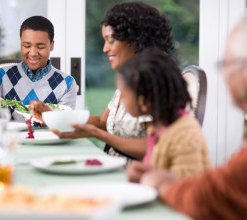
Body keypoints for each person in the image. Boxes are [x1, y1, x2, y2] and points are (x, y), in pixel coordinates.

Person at [137, 9, 247, 219]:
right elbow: (226, 182)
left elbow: (211, 199)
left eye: (226, 65)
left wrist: (164, 185)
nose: (224, 76)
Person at [53, 2, 174, 164]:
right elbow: (103, 122)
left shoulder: (157, 83)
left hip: (136, 177)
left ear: (135, 39)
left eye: (110, 40)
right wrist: (56, 117)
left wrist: (98, 135)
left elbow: (156, 149)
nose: (104, 49)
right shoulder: (130, 79)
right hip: (113, 167)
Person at [116, 48, 210, 179]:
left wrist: (148, 179)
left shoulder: (185, 135)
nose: (122, 102)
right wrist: (145, 173)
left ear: (143, 101)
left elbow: (188, 187)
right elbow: (164, 170)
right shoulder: (158, 126)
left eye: (124, 96)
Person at [0, 16, 78, 121]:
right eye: (27, 46)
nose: (32, 53)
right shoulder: (2, 76)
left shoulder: (67, 83)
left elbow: (63, 124)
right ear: (20, 44)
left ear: (51, 45)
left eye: (40, 47)